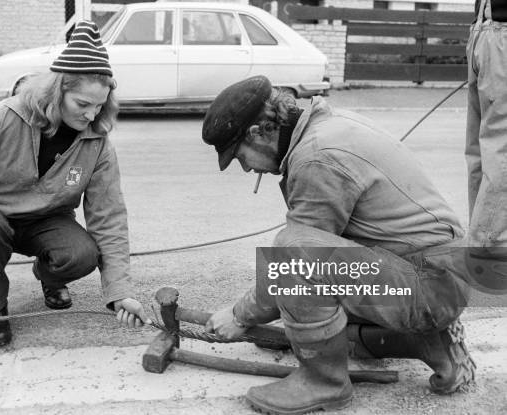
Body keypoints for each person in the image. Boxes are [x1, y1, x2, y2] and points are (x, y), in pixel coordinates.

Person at [201, 76, 476, 414]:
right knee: (311, 317)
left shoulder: (317, 158)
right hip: (431, 276)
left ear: (259, 132)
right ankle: (429, 342)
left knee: (292, 251)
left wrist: (238, 316)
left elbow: (296, 260)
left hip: (428, 287)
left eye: (239, 155)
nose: (244, 168)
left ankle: (323, 383)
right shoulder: (325, 125)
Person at [0, 21, 150, 347]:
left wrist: (119, 292)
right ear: (57, 90)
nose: (92, 115)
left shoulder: (97, 142)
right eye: (82, 104)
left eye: (99, 106)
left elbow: (109, 215)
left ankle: (49, 277)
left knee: (82, 254)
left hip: (48, 221)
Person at [465, 0, 507, 294]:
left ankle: (480, 246)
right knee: (501, 149)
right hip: (499, 34)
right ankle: (488, 254)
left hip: (483, 31)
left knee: (482, 149)